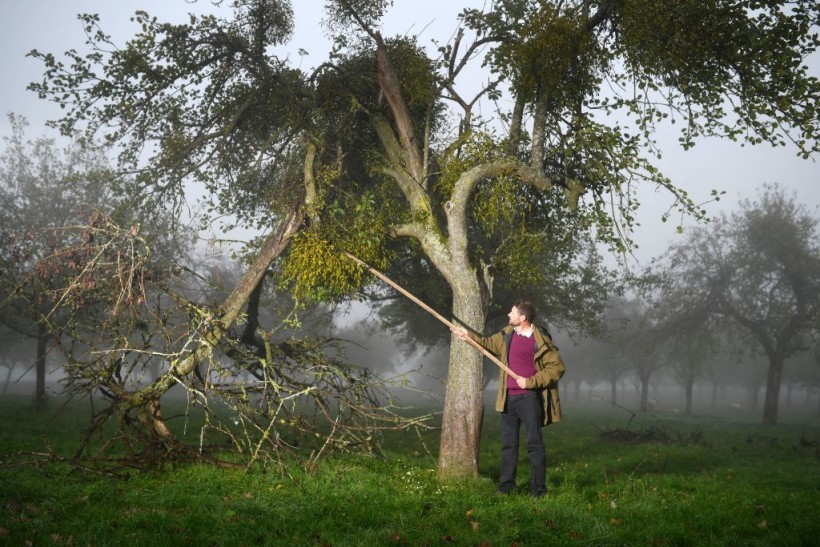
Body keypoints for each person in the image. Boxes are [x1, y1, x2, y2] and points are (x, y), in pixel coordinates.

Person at [451, 300, 565, 497]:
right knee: (508, 446)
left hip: (530, 399)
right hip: (508, 399)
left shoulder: (541, 341)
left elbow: (557, 368)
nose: (508, 315)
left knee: (534, 445)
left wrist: (530, 382)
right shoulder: (507, 335)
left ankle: (538, 490)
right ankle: (506, 487)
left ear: (523, 318)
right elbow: (486, 344)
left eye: (512, 312)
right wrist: (467, 336)